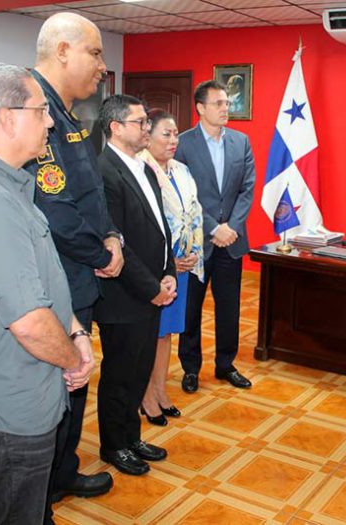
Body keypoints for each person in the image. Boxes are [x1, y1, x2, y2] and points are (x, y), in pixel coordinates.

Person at [0, 63, 94, 524]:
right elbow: (27, 322)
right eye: (41, 111)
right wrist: (74, 359)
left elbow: (44, 282)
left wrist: (77, 330)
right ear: (7, 119)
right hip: (12, 409)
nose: (50, 122)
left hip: (29, 389)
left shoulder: (11, 186)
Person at [24, 12, 122, 508]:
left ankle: (62, 474)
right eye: (96, 53)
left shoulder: (66, 115)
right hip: (56, 285)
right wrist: (101, 252)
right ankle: (39, 494)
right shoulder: (33, 112)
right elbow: (55, 210)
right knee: (56, 391)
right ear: (62, 51)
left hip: (80, 279)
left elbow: (90, 195)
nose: (103, 66)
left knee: (74, 386)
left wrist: (111, 234)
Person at [96, 95, 176, 475]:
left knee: (139, 369)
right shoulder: (104, 172)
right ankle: (114, 445)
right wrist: (151, 287)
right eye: (139, 122)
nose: (147, 128)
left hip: (151, 289)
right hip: (124, 294)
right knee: (119, 374)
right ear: (115, 127)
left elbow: (160, 227)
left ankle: (131, 436)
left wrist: (169, 270)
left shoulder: (143, 167)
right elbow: (117, 242)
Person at [175, 79, 255, 393]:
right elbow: (183, 194)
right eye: (218, 103)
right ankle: (190, 368)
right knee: (191, 308)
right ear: (200, 108)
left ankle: (225, 364)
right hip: (197, 242)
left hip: (231, 241)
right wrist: (213, 227)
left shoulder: (241, 142)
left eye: (227, 103)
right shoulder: (183, 144)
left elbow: (247, 188)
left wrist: (231, 227)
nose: (225, 108)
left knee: (229, 307)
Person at [138, 109, 204, 425]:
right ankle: (146, 396)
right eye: (166, 134)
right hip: (156, 265)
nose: (173, 140)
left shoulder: (182, 170)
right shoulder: (140, 170)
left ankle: (161, 391)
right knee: (150, 333)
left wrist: (192, 254)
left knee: (167, 333)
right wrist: (168, 262)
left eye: (176, 133)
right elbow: (141, 227)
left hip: (182, 264)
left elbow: (194, 214)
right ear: (147, 136)